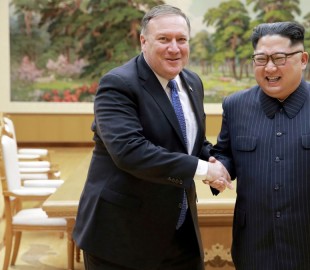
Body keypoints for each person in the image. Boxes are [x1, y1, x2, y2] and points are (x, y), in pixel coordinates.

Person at [73, 5, 231, 270]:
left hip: (180, 234)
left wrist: (219, 162)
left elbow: (191, 143)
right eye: (164, 39)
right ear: (143, 41)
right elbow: (129, 151)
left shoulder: (192, 82)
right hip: (122, 237)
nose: (174, 48)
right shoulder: (118, 84)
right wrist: (205, 169)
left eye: (181, 39)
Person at [211, 21, 310, 269]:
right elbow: (225, 154)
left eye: (280, 57)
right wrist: (219, 168)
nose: (270, 67)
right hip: (256, 244)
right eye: (261, 59)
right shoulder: (235, 106)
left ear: (303, 59)